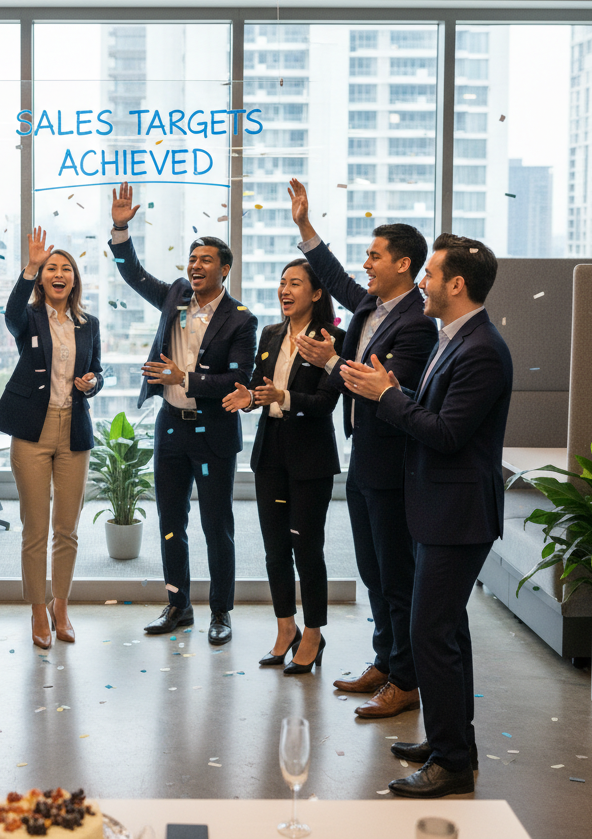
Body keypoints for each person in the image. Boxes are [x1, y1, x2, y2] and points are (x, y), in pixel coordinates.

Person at [339, 234, 512, 798]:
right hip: (437, 507)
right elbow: (431, 406)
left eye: (431, 276)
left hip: (457, 513)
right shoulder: (452, 337)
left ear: (456, 284)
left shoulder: (482, 348)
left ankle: (451, 764)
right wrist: (391, 388)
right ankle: (451, 743)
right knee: (447, 629)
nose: (423, 286)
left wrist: (388, 395)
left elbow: (446, 432)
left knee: (430, 633)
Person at [288, 177, 437, 718]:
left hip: (393, 465)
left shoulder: (418, 321)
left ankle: (406, 679)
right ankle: (385, 658)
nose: (366, 264)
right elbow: (333, 276)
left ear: (404, 265)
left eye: (375, 256)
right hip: (363, 462)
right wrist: (306, 228)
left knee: (395, 574)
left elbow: (384, 386)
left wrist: (329, 362)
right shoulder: (372, 305)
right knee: (372, 570)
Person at [109, 183, 257, 645]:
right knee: (172, 524)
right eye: (192, 260)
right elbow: (131, 274)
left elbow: (237, 383)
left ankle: (221, 612)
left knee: (217, 527)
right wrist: (120, 229)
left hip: (213, 433)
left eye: (205, 260)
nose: (195, 267)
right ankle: (177, 605)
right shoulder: (174, 295)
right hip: (170, 428)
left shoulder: (241, 319)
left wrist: (182, 378)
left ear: (225, 269)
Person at [223, 258, 344, 673]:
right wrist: (250, 398)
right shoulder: (272, 334)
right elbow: (261, 386)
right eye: (281, 283)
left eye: (295, 283)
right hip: (270, 454)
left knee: (307, 549)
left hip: (311, 457)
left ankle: (313, 633)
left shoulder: (331, 340)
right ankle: (285, 628)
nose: (285, 290)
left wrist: (280, 397)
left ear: (315, 293)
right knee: (275, 549)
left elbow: (327, 402)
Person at [0, 227, 104, 649]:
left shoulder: (88, 324)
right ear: (42, 279)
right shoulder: (30, 318)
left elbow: (99, 372)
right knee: (35, 528)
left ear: (74, 279)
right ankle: (38, 610)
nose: (59, 274)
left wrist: (92, 383)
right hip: (32, 432)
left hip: (74, 428)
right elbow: (11, 312)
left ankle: (61, 605)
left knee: (67, 529)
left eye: (65, 269)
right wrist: (29, 267)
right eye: (51, 269)